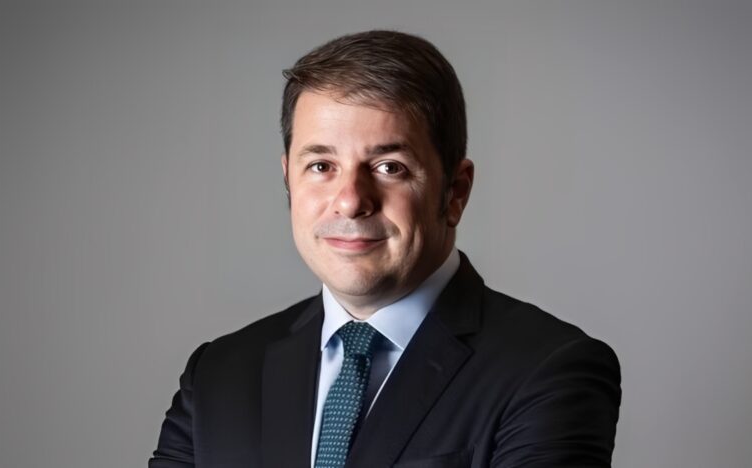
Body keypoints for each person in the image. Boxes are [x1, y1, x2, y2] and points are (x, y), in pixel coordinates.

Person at [150, 30, 621, 468]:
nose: (351, 201)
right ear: (288, 180)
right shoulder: (219, 374)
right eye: (321, 166)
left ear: (455, 192)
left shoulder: (548, 370)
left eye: (389, 167)